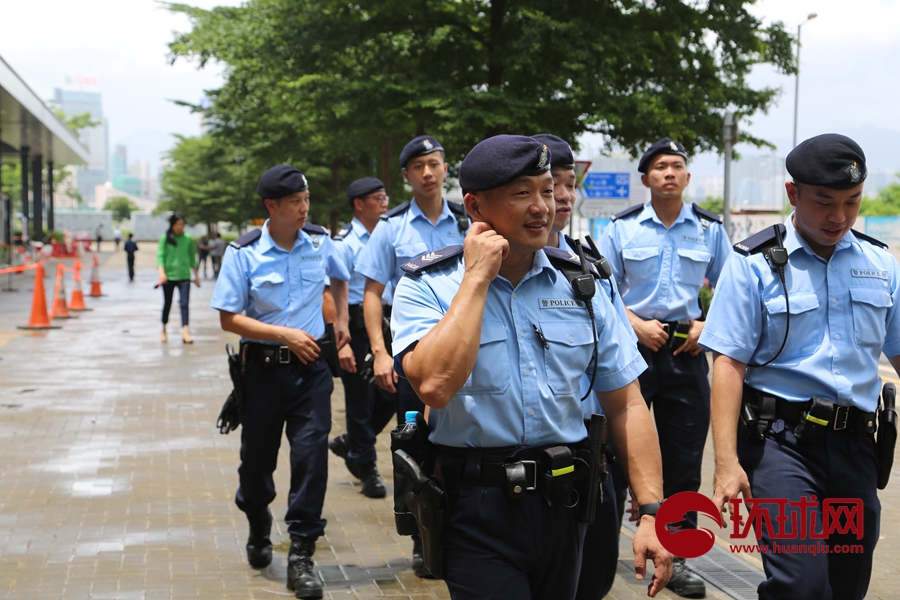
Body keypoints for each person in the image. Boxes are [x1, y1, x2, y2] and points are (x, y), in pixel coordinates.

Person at [391, 135, 671, 600]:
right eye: (523, 193)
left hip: (567, 498)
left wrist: (651, 513)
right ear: (476, 206)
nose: (543, 206)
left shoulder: (584, 283)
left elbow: (625, 404)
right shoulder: (431, 286)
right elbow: (434, 386)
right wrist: (477, 278)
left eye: (547, 189)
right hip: (477, 505)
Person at [701, 134, 900, 600]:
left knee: (847, 584)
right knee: (801, 585)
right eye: (824, 202)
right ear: (793, 194)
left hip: (856, 448)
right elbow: (728, 364)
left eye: (852, 202)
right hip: (781, 448)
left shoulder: (880, 264)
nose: (839, 217)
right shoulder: (753, 263)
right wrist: (726, 463)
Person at [210, 165, 350, 600]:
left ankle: (302, 554)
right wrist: (283, 333)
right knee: (257, 465)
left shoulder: (320, 241)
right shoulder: (244, 252)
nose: (304, 207)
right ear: (271, 206)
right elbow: (228, 317)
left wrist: (340, 322)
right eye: (295, 202)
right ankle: (257, 520)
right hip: (264, 374)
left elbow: (341, 278)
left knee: (311, 458)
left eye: (306, 199)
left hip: (311, 372)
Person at [600, 138, 731, 597]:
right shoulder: (621, 228)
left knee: (683, 460)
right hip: (632, 350)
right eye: (660, 167)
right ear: (646, 180)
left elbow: (734, 292)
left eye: (677, 166)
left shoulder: (710, 229)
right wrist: (633, 324)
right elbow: (603, 290)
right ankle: (601, 547)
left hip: (685, 352)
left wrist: (706, 326)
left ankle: (679, 558)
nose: (669, 173)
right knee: (618, 455)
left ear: (687, 177)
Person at [354, 134, 468, 577]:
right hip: (411, 355)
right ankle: (421, 535)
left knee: (459, 439)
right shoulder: (391, 226)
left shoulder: (467, 220)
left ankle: (459, 530)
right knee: (413, 442)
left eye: (435, 164)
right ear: (405, 176)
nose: (427, 172)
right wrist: (380, 354)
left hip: (463, 350)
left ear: (445, 169)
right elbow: (372, 293)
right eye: (418, 166)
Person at [532, 133, 629, 600]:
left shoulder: (592, 271)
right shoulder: (479, 271)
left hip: (594, 456)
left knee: (593, 580)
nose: (564, 196)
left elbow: (624, 385)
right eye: (554, 184)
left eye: (570, 184)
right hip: (523, 465)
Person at [329, 177, 396, 499]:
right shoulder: (343, 242)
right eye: (378, 198)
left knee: (393, 393)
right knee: (360, 400)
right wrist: (340, 339)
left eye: (385, 197)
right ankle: (366, 466)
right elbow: (329, 292)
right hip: (354, 328)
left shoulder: (389, 235)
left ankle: (352, 442)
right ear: (359, 204)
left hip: (389, 326)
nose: (385, 203)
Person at [157, 213, 200, 344]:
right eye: (177, 224)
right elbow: (160, 257)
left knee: (184, 304)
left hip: (184, 276)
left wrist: (196, 276)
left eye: (181, 224)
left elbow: (192, 258)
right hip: (168, 277)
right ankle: (163, 329)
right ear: (172, 224)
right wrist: (162, 274)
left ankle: (185, 332)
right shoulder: (165, 238)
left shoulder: (187, 238)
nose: (179, 227)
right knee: (168, 303)